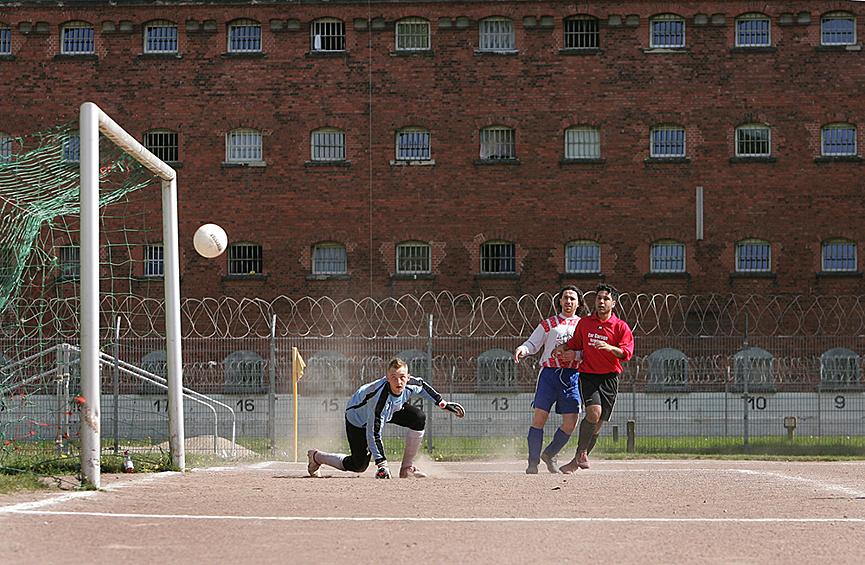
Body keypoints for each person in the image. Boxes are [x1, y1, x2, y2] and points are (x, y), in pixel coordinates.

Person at [307, 357, 465, 479]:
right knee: (359, 465)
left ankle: (406, 468)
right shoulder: (379, 400)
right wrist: (382, 464)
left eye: (402, 377)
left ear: (408, 377)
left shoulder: (410, 383)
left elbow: (423, 387)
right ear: (387, 378)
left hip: (391, 409)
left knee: (418, 417)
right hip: (358, 419)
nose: (399, 382)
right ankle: (316, 456)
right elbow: (373, 432)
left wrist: (443, 404)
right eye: (394, 377)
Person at [552, 283, 634, 473]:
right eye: (599, 298)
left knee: (596, 425)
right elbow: (575, 343)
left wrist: (609, 348)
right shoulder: (586, 323)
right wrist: (563, 348)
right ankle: (582, 453)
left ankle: (574, 463)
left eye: (606, 298)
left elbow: (625, 353)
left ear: (613, 303)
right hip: (588, 376)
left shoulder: (620, 327)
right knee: (594, 412)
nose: (601, 302)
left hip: (610, 379)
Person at [514, 285, 584, 474]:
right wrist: (523, 349)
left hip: (572, 377)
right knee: (540, 418)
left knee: (571, 423)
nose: (568, 301)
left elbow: (588, 352)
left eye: (572, 298)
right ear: (559, 301)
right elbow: (533, 343)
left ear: (578, 303)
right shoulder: (549, 324)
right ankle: (533, 462)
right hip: (549, 375)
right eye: (565, 298)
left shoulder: (584, 325)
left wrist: (576, 355)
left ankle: (550, 454)